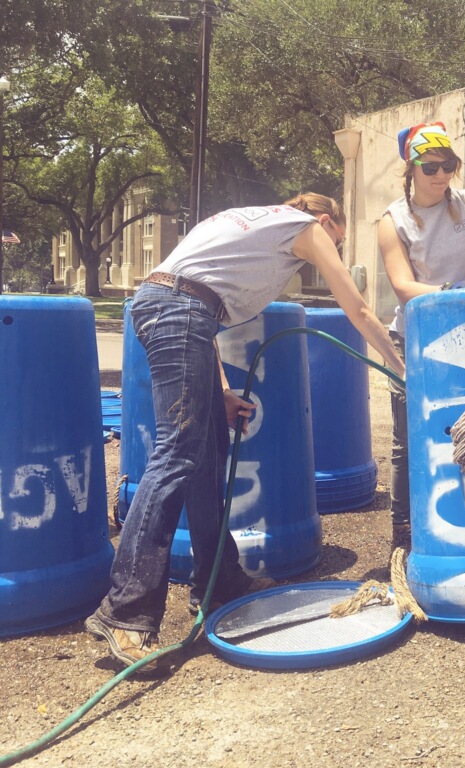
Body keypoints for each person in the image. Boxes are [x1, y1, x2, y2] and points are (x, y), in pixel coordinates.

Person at [86, 193, 406, 673]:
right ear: (325, 222)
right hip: (179, 311)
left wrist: (219, 391)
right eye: (336, 241)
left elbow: (198, 301)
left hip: (173, 308)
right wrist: (403, 372)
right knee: (176, 456)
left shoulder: (253, 220)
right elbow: (357, 309)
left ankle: (220, 584)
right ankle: (125, 611)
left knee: (206, 456)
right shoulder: (305, 226)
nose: (326, 253)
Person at [378, 121, 465, 551]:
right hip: (418, 338)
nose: (441, 176)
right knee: (410, 437)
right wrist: (448, 294)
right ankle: (404, 530)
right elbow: (403, 286)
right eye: (431, 167)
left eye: (449, 165)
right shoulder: (393, 219)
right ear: (412, 168)